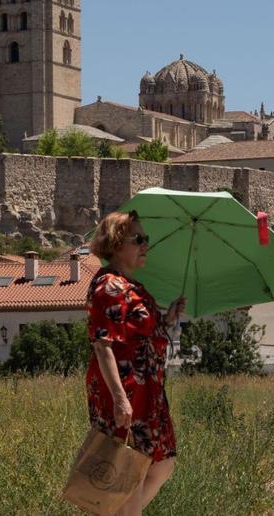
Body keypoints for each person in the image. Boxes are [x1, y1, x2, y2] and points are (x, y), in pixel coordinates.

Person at [85, 210, 185, 516]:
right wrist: (119, 400)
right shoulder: (108, 287)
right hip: (125, 394)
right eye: (138, 239)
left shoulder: (132, 286)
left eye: (146, 239)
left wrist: (167, 319)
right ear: (116, 244)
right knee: (129, 473)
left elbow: (140, 336)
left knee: (162, 464)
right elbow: (102, 345)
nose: (145, 245)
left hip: (148, 394)